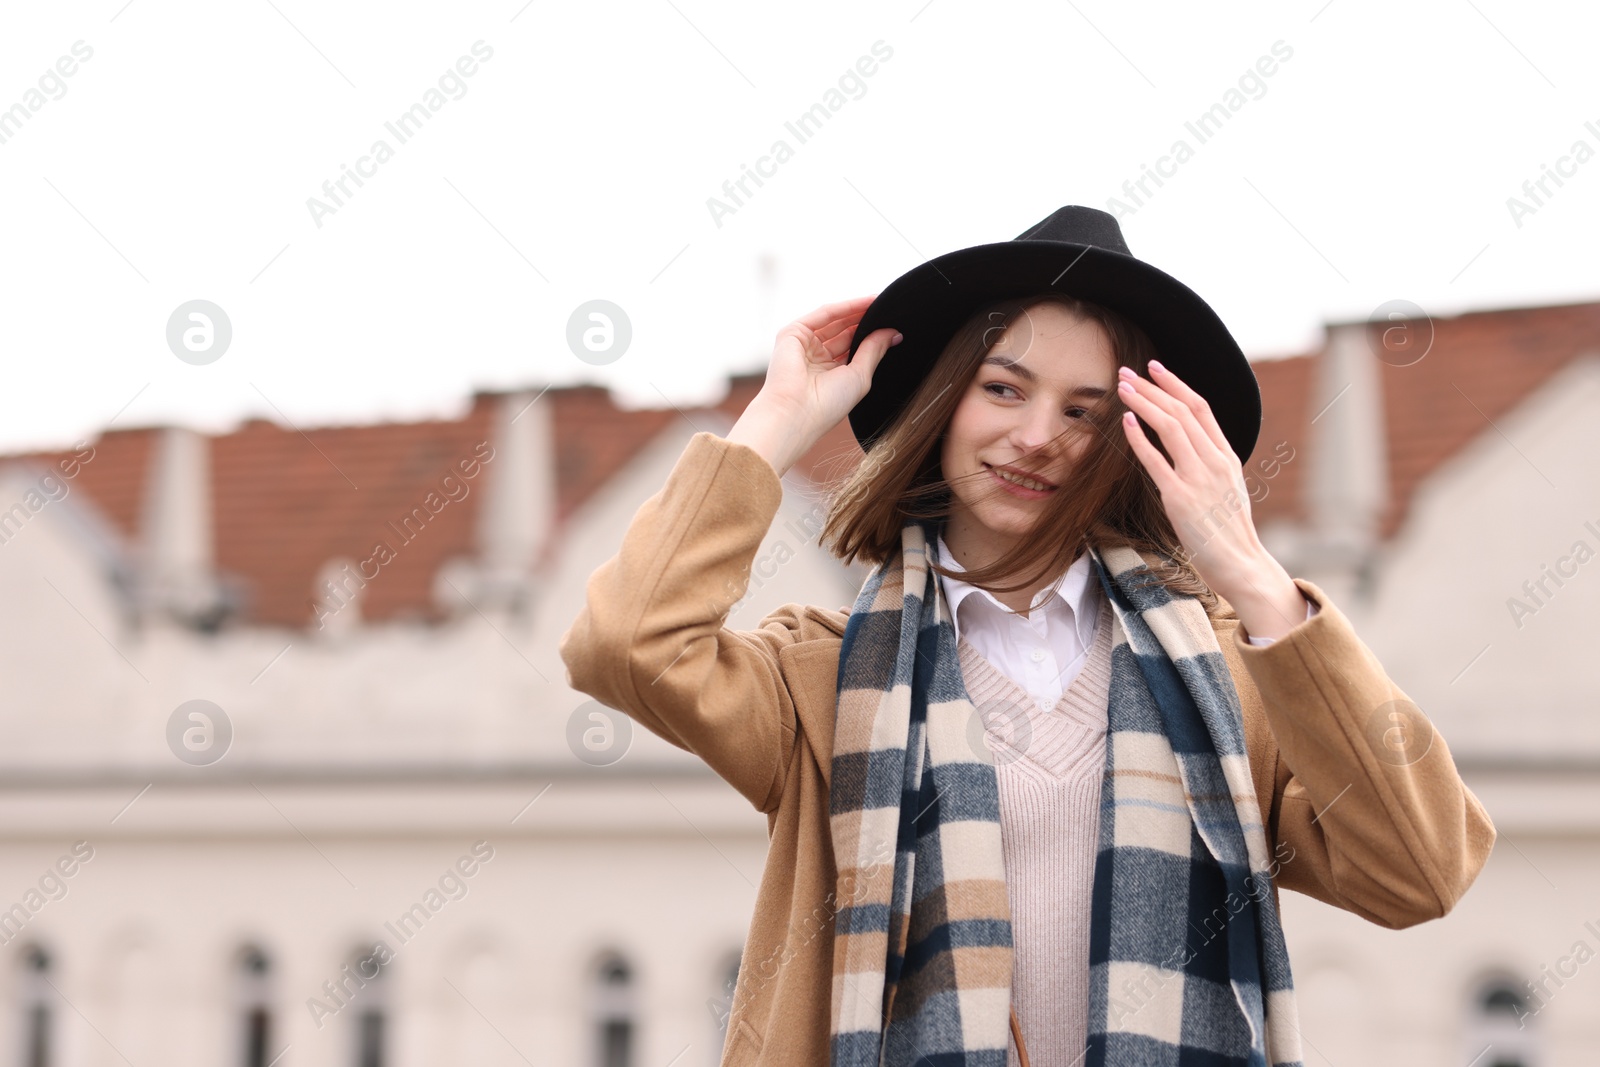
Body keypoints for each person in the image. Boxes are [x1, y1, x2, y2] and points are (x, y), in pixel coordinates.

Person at [559, 206, 1496, 1067]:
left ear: (1133, 439)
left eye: (1085, 412)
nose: (1038, 435)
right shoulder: (825, 681)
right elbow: (628, 644)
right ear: (944, 403)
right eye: (1004, 389)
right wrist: (777, 422)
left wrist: (1249, 571)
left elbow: (1419, 867)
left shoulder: (1232, 680)